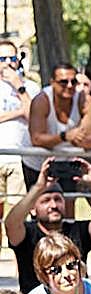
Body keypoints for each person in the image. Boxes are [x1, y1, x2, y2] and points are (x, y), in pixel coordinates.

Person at [5, 158, 91, 293]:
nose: (53, 205)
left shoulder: (78, 231)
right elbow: (11, 223)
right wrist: (38, 188)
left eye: (58, 199)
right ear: (33, 209)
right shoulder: (27, 233)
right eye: (46, 201)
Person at [25, 62, 91, 193]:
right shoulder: (41, 101)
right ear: (52, 83)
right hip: (37, 162)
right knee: (40, 205)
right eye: (63, 82)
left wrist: (70, 139)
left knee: (68, 205)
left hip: (67, 159)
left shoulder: (86, 101)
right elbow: (36, 139)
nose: (70, 86)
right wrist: (65, 136)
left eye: (74, 81)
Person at [0, 40, 37, 246]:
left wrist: (19, 87)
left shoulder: (29, 86)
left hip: (19, 158)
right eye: (2, 59)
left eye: (12, 58)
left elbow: (34, 114)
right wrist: (18, 112)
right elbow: (24, 112)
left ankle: (17, 272)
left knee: (17, 219)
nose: (7, 63)